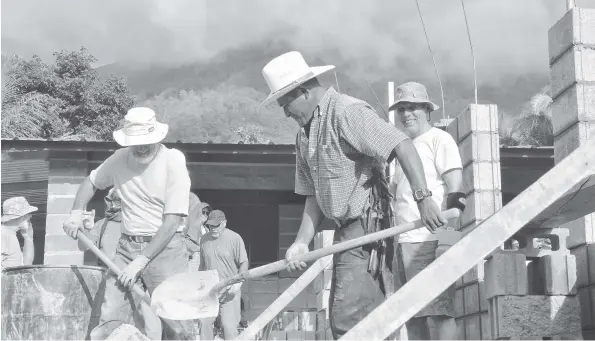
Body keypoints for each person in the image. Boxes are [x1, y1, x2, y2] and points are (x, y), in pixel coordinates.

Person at [259, 51, 446, 339]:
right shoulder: (304, 135)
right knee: (359, 318)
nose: (285, 113)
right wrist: (301, 242)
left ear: (304, 91)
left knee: (349, 318)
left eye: (286, 104)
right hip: (345, 231)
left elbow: (402, 145)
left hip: (368, 227)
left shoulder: (347, 112)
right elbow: (312, 194)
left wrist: (423, 198)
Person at [62, 107, 195, 340]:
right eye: (136, 143)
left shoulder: (173, 161)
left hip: (166, 249)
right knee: (110, 315)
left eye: (147, 142)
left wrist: (142, 260)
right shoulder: (119, 159)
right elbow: (91, 182)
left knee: (175, 322)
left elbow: (172, 221)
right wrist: (75, 213)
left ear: (157, 137)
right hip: (126, 248)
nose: (142, 147)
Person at [388, 82, 465, 340]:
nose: (407, 114)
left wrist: (448, 238)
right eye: (402, 109)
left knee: (439, 312)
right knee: (411, 315)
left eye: (413, 108)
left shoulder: (439, 139)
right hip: (404, 241)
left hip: (430, 239)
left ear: (426, 110)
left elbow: (456, 191)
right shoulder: (402, 148)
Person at [199, 210, 249, 340]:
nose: (213, 228)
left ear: (224, 223)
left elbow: (244, 262)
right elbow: (202, 266)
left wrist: (239, 283)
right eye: (210, 225)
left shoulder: (235, 238)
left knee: (229, 327)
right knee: (204, 324)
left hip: (229, 291)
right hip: (210, 291)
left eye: (216, 225)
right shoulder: (204, 240)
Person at [78, 188, 122, 265]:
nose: (113, 205)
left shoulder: (139, 225)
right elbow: (83, 247)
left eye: (117, 201)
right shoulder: (102, 224)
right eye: (110, 200)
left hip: (129, 275)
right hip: (104, 274)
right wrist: (87, 228)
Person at [1, 197, 36, 270]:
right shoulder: (2, 234)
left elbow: (26, 267)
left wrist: (28, 239)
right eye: (28, 213)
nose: (30, 216)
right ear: (20, 216)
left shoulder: (10, 234)